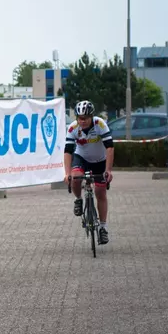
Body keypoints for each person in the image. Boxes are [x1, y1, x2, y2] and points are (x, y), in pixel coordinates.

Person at [64, 100, 114, 244]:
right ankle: (78, 199)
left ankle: (103, 228)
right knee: (75, 178)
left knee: (100, 192)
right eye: (80, 118)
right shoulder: (73, 128)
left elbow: (110, 147)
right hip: (82, 158)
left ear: (92, 116)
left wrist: (108, 170)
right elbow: (67, 152)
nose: (83, 121)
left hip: (100, 161)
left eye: (85, 118)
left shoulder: (100, 125)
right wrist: (67, 173)